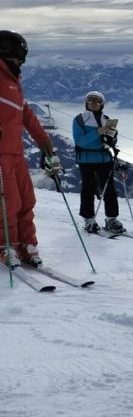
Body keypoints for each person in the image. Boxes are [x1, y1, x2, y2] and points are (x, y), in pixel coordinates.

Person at [0, 30, 62, 268]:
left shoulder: (14, 82)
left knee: (27, 200)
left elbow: (28, 116)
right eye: (19, 56)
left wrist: (44, 142)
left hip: (16, 153)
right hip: (1, 153)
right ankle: (7, 246)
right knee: (8, 202)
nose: (21, 62)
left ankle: (28, 244)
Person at [72, 90, 125, 234]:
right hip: (87, 159)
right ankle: (89, 219)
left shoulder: (106, 119)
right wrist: (98, 132)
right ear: (86, 102)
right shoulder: (79, 120)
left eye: (97, 101)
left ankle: (111, 219)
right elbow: (80, 141)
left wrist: (112, 138)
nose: (94, 103)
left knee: (110, 191)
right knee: (88, 190)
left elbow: (110, 142)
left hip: (103, 158)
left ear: (102, 104)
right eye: (91, 100)